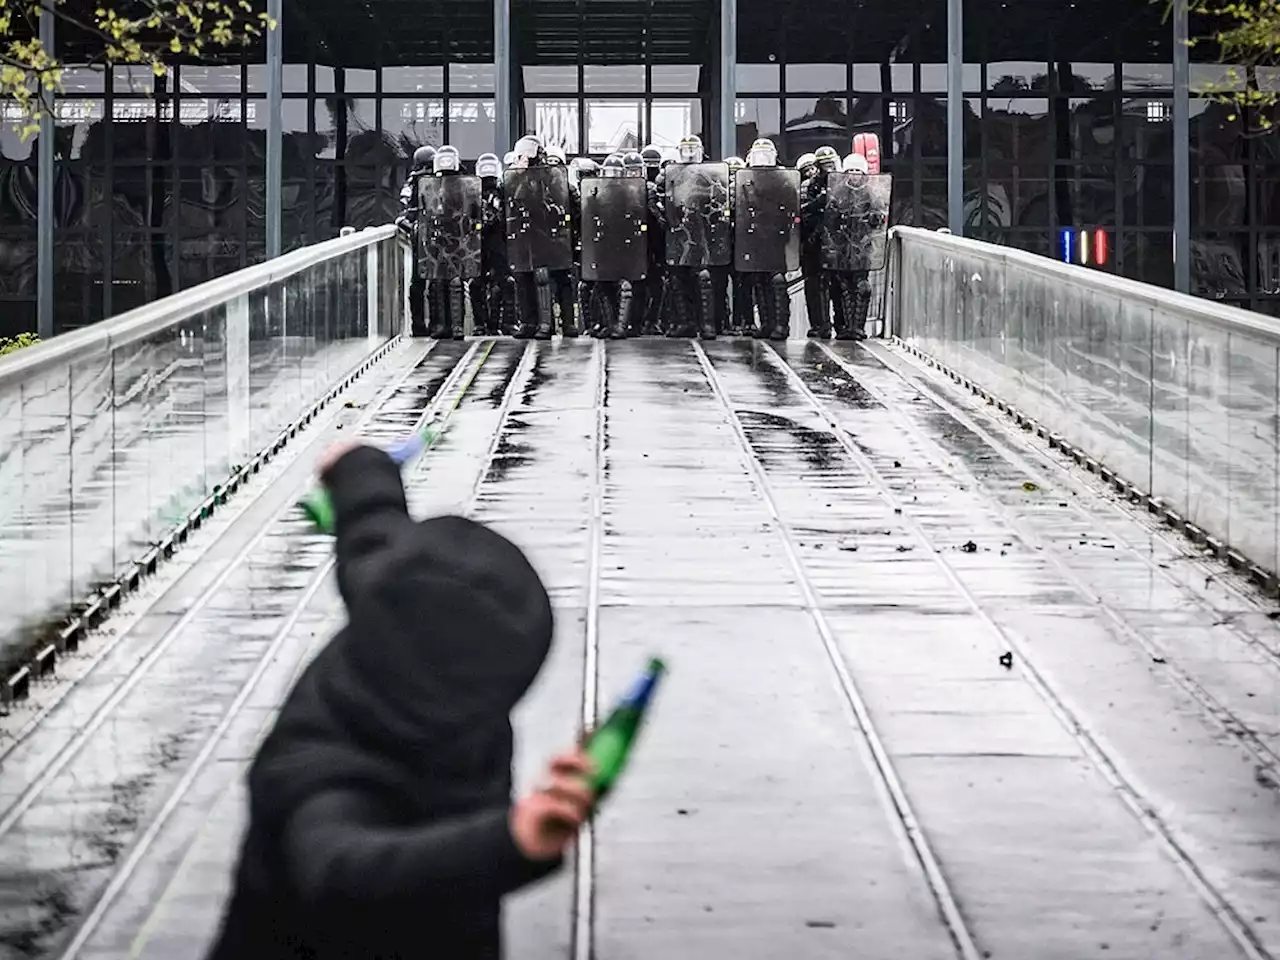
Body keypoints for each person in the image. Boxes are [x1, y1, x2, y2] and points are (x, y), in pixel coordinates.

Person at [205, 442, 595, 960]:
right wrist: (510, 840)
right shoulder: (323, 770)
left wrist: (357, 465)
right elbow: (338, 868)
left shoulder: (390, 619)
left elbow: (372, 530)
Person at [399, 145, 437, 337]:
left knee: (437, 281)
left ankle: (437, 324)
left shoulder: (442, 181)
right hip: (421, 237)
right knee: (419, 283)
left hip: (439, 236)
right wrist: (411, 227)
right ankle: (419, 325)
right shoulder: (412, 183)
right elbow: (404, 214)